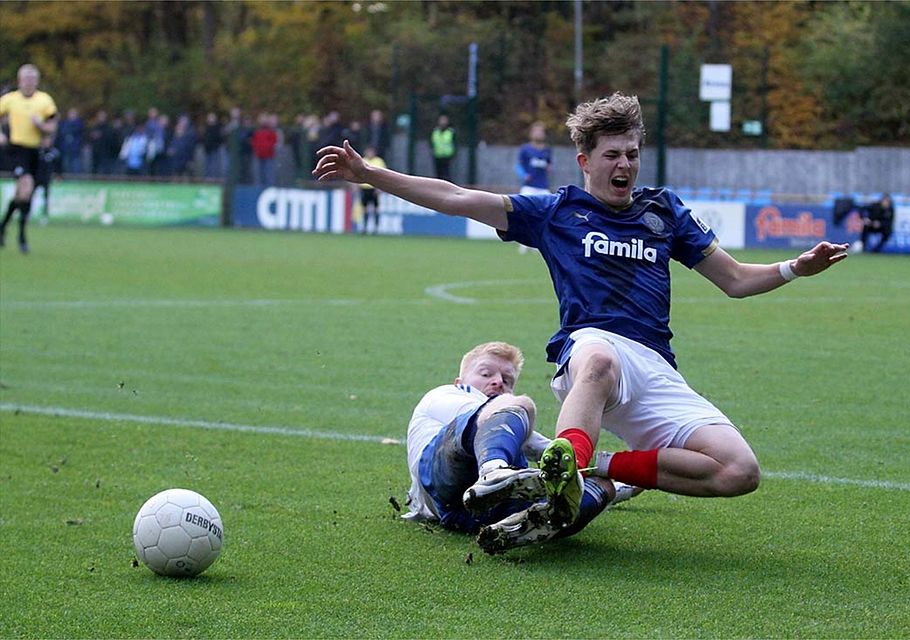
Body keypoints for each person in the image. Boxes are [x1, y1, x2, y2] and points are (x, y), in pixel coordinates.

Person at [315, 92, 849, 549]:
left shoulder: (665, 212)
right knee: (596, 354)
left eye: (633, 154)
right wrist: (369, 175)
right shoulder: (556, 213)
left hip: (655, 366)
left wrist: (794, 268)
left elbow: (734, 280)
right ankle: (563, 465)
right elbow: (458, 198)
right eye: (613, 154)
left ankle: (599, 471)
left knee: (739, 471)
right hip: (591, 352)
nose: (625, 165)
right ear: (584, 160)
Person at [403, 341, 639, 554]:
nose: (497, 381)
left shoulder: (504, 423)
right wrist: (599, 465)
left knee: (603, 488)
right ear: (460, 381)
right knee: (522, 405)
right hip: (439, 477)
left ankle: (524, 525)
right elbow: (538, 446)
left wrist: (626, 482)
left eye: (507, 381)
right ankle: (493, 472)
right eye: (485, 373)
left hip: (469, 513)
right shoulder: (446, 394)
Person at [0, 63, 59, 254]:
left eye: (32, 79)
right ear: (19, 80)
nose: (29, 82)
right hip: (17, 150)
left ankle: (4, 226)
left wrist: (41, 125)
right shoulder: (10, 99)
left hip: (36, 152)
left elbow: (52, 127)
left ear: (37, 81)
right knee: (26, 186)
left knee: (25, 194)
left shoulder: (44, 100)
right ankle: (21, 236)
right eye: (26, 78)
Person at [516, 121, 552, 196]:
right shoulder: (525, 149)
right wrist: (524, 175)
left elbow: (549, 164)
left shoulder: (547, 150)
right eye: (536, 131)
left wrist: (549, 168)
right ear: (531, 133)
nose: (539, 133)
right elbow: (518, 165)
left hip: (544, 187)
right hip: (529, 187)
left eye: (541, 131)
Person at [358, 145, 386, 234]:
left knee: (375, 209)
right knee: (364, 208)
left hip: (374, 188)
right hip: (364, 188)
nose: (370, 154)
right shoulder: (362, 160)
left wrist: (380, 187)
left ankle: (376, 228)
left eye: (371, 152)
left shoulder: (379, 161)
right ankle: (364, 228)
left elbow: (383, 175)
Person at [34, 134, 61, 224]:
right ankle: (27, 213)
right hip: (36, 177)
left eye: (48, 140)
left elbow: (58, 166)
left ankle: (44, 216)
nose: (46, 142)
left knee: (46, 197)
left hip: (47, 178)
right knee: (30, 195)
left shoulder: (54, 153)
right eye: (45, 140)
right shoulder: (37, 151)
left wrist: (58, 175)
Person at [430, 114, 455, 180]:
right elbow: (432, 142)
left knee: (446, 174)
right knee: (438, 174)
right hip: (437, 155)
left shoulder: (450, 132)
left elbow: (454, 143)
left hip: (447, 156)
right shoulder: (435, 131)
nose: (443, 122)